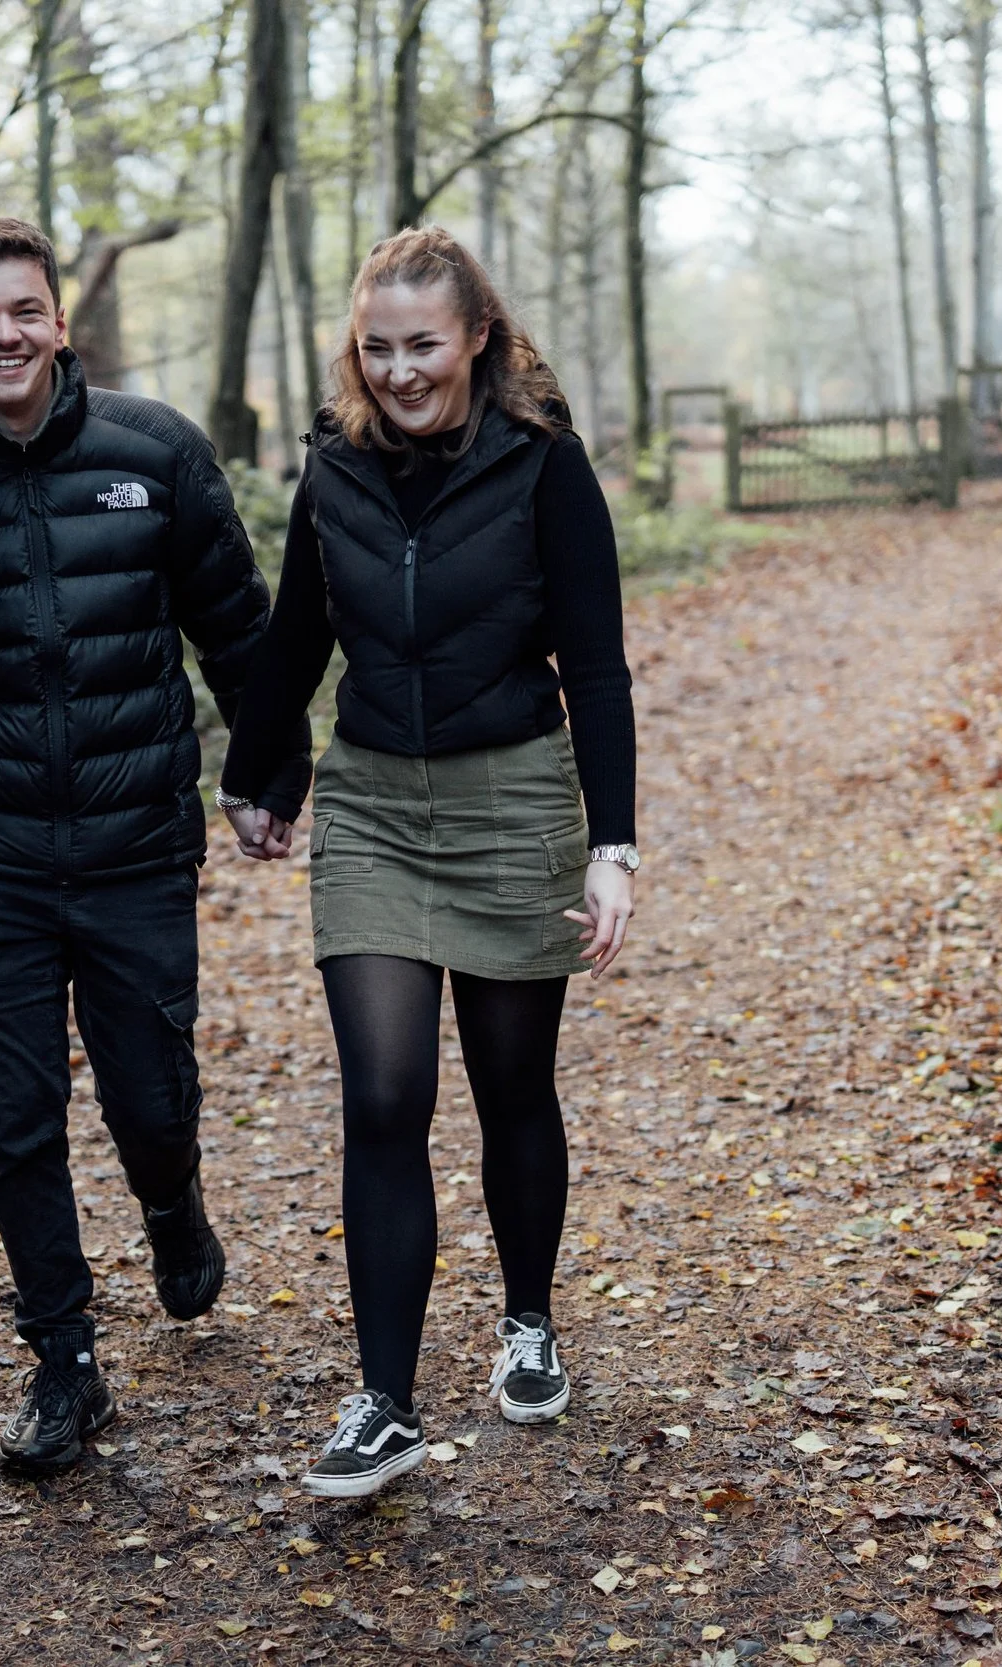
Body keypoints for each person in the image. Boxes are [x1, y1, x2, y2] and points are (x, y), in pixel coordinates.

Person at [0, 218, 272, 1474]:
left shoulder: (157, 454)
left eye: (25, 311)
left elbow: (240, 632)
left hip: (135, 848)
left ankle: (173, 1205)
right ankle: (63, 1362)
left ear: (59, 321)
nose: (4, 334)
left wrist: (262, 774)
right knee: (14, 1113)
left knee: (147, 1095)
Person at [217, 226, 638, 1500]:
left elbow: (598, 665)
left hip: (514, 799)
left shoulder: (540, 466)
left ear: (475, 341)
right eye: (378, 346)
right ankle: (385, 1400)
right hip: (376, 811)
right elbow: (295, 636)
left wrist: (613, 843)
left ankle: (527, 1321)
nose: (400, 370)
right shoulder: (333, 467)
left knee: (513, 1086)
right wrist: (259, 772)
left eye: (424, 344)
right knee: (384, 1094)